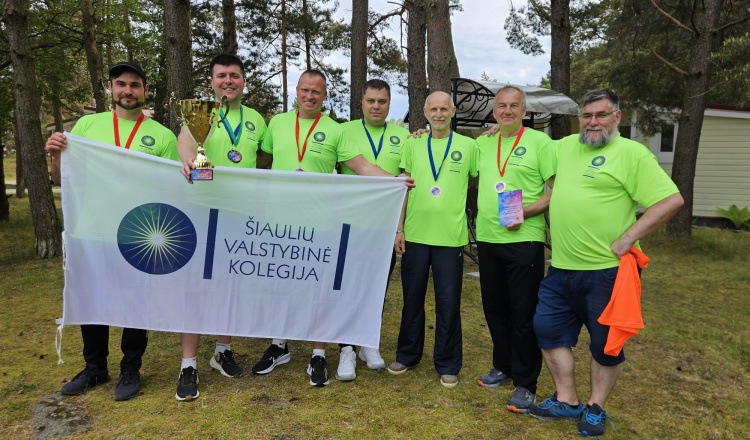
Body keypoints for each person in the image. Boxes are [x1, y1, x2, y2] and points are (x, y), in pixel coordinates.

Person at [527, 89, 684, 436]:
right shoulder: (565, 146)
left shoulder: (631, 153)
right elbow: (525, 141)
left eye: (601, 114)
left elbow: (670, 200)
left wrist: (628, 238)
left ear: (617, 116)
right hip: (562, 267)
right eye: (587, 115)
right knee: (547, 330)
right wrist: (497, 128)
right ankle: (567, 400)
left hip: (608, 272)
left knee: (606, 344)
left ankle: (595, 408)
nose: (593, 122)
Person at [251, 69, 413, 387]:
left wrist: (394, 180)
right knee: (281, 285)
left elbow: (361, 166)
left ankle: (318, 353)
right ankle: (279, 346)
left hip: (320, 223)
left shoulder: (335, 130)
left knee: (318, 288)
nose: (310, 96)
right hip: (280, 221)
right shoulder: (277, 123)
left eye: (316, 91)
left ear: (324, 96)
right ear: (296, 91)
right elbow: (260, 162)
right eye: (305, 90)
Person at [45, 61, 179, 401]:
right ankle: (95, 367)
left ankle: (130, 368)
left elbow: (169, 188)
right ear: (111, 88)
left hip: (138, 233)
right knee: (93, 298)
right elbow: (62, 178)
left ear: (145, 90)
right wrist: (56, 155)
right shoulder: (88, 125)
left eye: (135, 85)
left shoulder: (162, 136)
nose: (127, 91)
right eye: (121, 84)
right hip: (92, 229)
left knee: (137, 301)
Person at [175, 53, 270, 401]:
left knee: (231, 285)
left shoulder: (256, 120)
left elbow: (265, 160)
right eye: (221, 76)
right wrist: (189, 160)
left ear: (243, 81)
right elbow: (186, 142)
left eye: (234, 75)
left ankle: (222, 351)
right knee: (195, 289)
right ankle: (188, 364)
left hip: (239, 214)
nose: (228, 81)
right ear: (212, 81)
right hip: (201, 210)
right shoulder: (200, 112)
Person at [474, 85, 556, 413]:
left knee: (523, 312)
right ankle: (503, 366)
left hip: (524, 240)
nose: (507, 111)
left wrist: (525, 212)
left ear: (524, 111)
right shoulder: (483, 143)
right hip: (488, 238)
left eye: (513, 106)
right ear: (494, 112)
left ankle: (525, 382)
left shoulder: (541, 143)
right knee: (495, 308)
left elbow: (556, 191)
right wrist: (422, 132)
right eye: (501, 106)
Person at [387, 91, 478, 388]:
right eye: (433, 110)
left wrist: (492, 131)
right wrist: (399, 229)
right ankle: (408, 355)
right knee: (411, 299)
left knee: (448, 303)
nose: (438, 114)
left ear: (453, 111)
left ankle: (448, 363)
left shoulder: (469, 146)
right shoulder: (413, 143)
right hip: (415, 234)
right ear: (425, 113)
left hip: (450, 238)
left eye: (444, 109)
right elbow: (404, 188)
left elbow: (486, 166)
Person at [334, 79, 410, 381]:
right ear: (361, 102)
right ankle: (346, 348)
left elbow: (404, 188)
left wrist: (398, 229)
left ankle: (367, 342)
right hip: (351, 225)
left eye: (382, 101)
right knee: (348, 287)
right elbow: (361, 169)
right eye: (371, 101)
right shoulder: (345, 131)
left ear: (390, 104)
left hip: (384, 227)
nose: (376, 106)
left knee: (377, 287)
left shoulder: (403, 136)